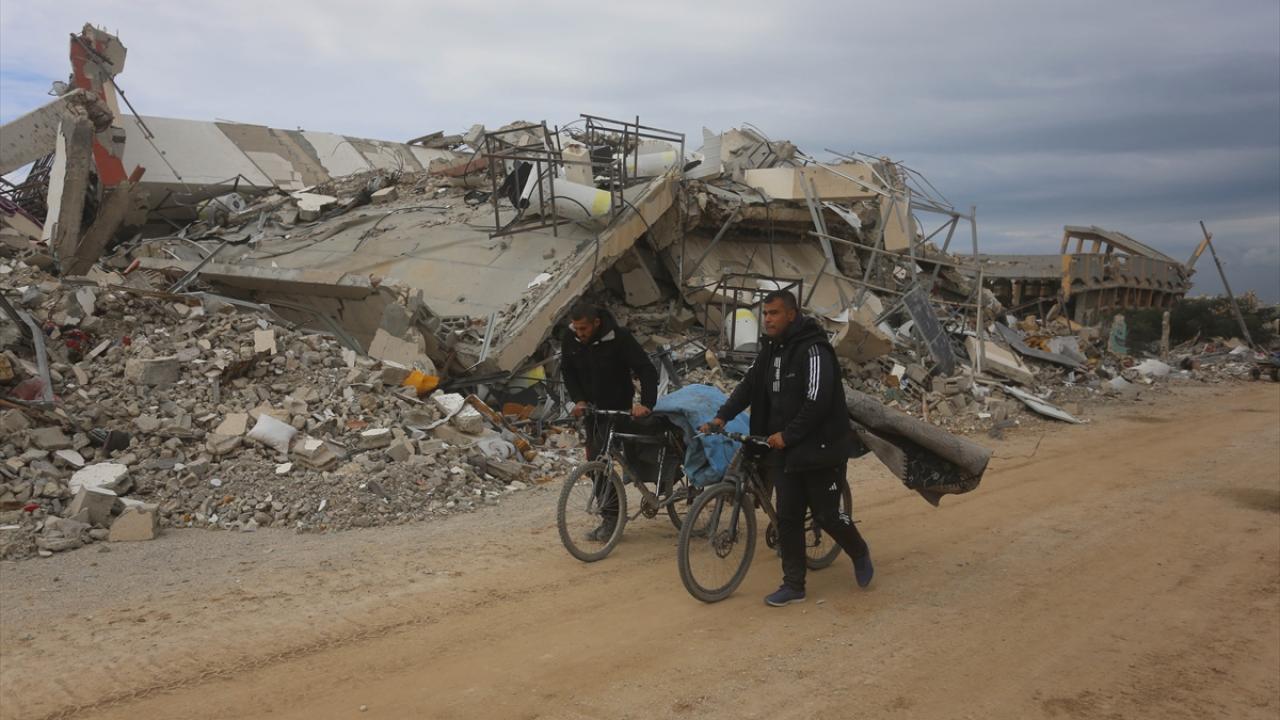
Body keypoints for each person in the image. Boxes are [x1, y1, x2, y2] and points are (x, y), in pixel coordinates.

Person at [701, 289, 873, 606]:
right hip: (784, 449)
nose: (767, 319)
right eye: (765, 314)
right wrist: (722, 417)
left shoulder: (814, 350)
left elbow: (818, 400)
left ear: (791, 315)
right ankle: (794, 585)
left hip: (821, 448)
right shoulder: (770, 351)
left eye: (774, 313)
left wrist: (788, 435)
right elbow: (748, 387)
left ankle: (859, 551)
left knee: (827, 515)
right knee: (788, 518)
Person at [561, 302, 659, 540]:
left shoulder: (619, 337)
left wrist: (646, 403)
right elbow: (568, 371)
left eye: (584, 329)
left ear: (596, 323)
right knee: (597, 464)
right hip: (592, 411)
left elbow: (646, 369)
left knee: (626, 456)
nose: (580, 334)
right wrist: (579, 400)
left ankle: (646, 490)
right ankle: (612, 518)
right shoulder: (571, 338)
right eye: (576, 328)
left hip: (618, 409)